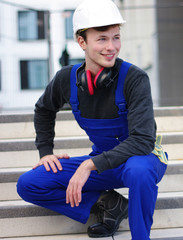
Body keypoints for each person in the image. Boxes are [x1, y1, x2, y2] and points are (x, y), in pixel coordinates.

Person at [16, 0, 168, 239]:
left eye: (116, 37)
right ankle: (108, 203)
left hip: (142, 160)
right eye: (102, 39)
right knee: (29, 183)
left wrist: (89, 165)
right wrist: (45, 151)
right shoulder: (66, 79)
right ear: (82, 42)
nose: (112, 47)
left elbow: (142, 141)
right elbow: (43, 109)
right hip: (104, 163)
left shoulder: (135, 79)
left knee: (138, 170)